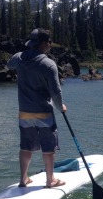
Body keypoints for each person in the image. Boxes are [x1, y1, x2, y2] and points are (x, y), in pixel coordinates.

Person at [7, 28, 67, 188]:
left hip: (24, 113)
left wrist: (21, 57)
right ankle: (50, 180)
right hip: (43, 113)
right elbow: (56, 91)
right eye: (49, 42)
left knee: (25, 146)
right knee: (48, 147)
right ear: (43, 43)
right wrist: (61, 107)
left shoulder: (19, 58)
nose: (50, 45)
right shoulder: (48, 64)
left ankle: (23, 179)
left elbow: (9, 65)